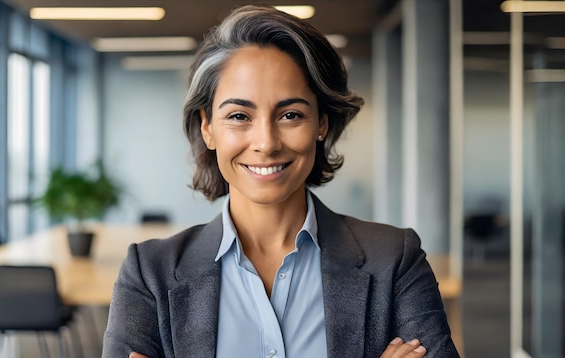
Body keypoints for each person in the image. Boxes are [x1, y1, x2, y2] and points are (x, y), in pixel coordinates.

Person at [102, 5, 459, 358]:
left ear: (321, 123)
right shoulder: (150, 273)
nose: (266, 143)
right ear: (207, 127)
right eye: (239, 116)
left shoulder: (394, 260)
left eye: (290, 114)